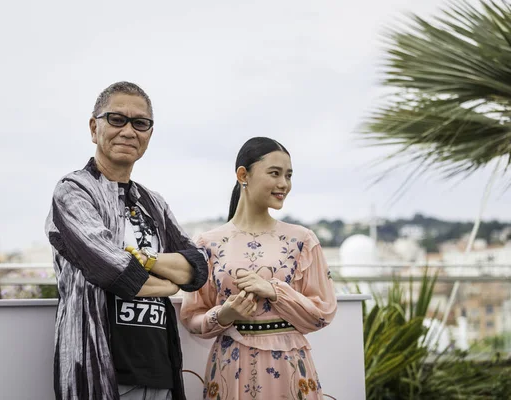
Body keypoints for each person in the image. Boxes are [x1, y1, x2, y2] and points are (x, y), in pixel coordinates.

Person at [45, 81, 208, 400]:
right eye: (117, 119)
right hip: (99, 368)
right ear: (94, 128)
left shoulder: (153, 202)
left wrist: (146, 261)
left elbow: (198, 268)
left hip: (158, 367)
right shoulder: (74, 191)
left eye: (140, 123)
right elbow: (111, 268)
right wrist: (169, 284)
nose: (129, 130)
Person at [180, 137, 338, 399]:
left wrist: (275, 291)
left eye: (288, 175)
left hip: (290, 368)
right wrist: (225, 314)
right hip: (231, 365)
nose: (284, 184)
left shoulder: (303, 240)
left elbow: (323, 312)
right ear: (243, 174)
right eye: (274, 173)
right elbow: (191, 317)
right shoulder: (208, 243)